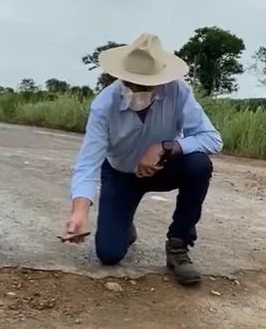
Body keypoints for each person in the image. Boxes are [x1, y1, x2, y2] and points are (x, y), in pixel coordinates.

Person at [64, 33, 223, 285]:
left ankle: (178, 246)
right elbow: (88, 164)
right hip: (121, 175)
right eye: (131, 83)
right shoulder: (103, 106)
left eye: (145, 85)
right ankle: (124, 222)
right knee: (109, 254)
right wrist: (79, 212)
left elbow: (212, 139)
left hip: (161, 168)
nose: (138, 91)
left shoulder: (178, 91)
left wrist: (165, 146)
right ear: (121, 77)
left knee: (199, 165)